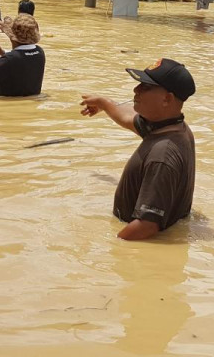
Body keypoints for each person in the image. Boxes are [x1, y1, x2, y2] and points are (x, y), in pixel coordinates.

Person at [79, 58, 196, 241]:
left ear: (167, 99)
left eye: (146, 87)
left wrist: (107, 248)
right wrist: (104, 103)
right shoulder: (172, 128)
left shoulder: (162, 154)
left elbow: (147, 226)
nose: (136, 90)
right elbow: (127, 117)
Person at [0, 14, 45, 96]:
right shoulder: (40, 52)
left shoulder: (8, 60)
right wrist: (2, 52)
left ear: (12, 37)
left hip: (6, 108)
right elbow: (22, 57)